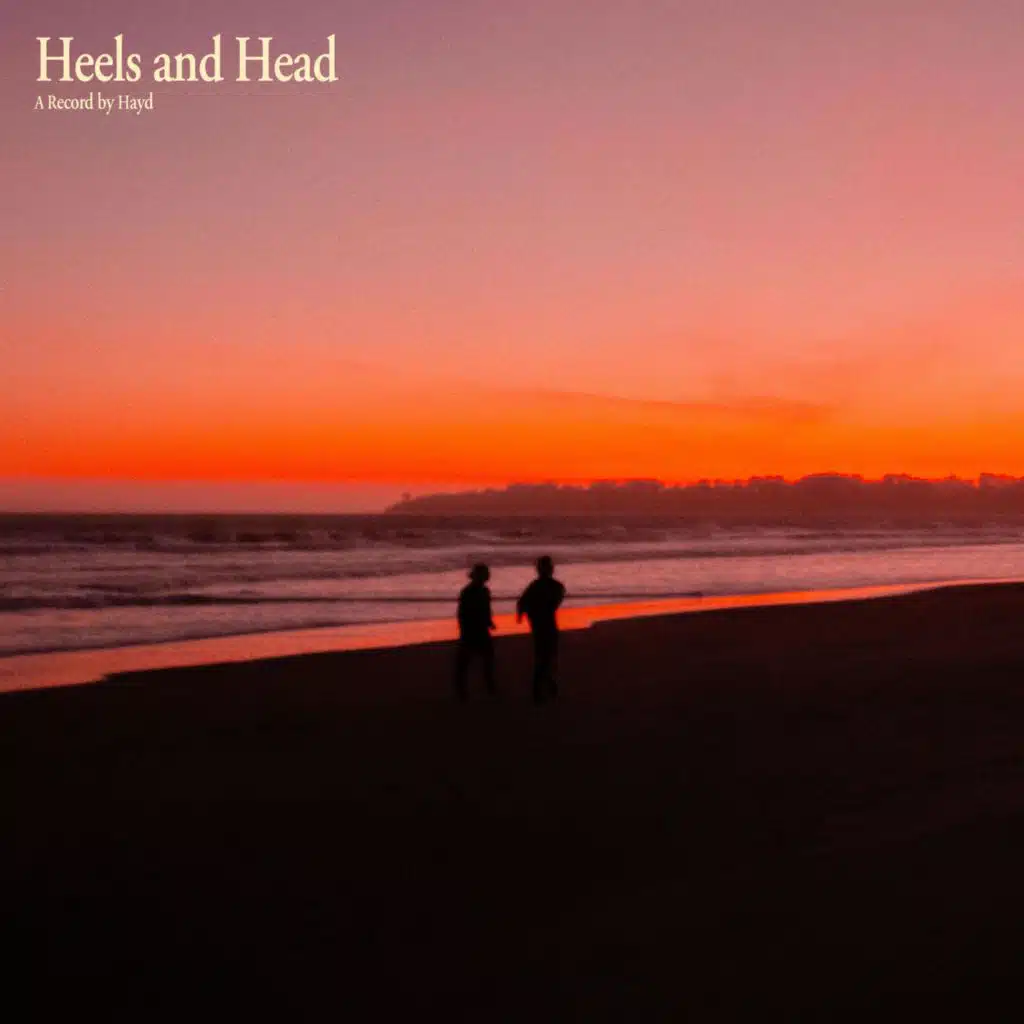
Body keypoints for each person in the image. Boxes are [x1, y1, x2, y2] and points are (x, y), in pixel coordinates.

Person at [516, 555, 566, 704]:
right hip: (546, 626)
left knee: (544, 657)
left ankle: (545, 685)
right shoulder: (553, 586)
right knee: (546, 657)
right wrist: (525, 613)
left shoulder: (539, 585)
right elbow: (554, 602)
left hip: (540, 626)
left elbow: (522, 603)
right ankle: (541, 689)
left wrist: (523, 614)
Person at [454, 563, 496, 700]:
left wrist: (489, 622)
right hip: (471, 630)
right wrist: (464, 629)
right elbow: (462, 613)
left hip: (480, 629)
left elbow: (486, 609)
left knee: (487, 659)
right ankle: (463, 690)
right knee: (466, 661)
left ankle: (488, 686)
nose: (485, 577)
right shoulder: (468, 592)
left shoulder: (484, 591)